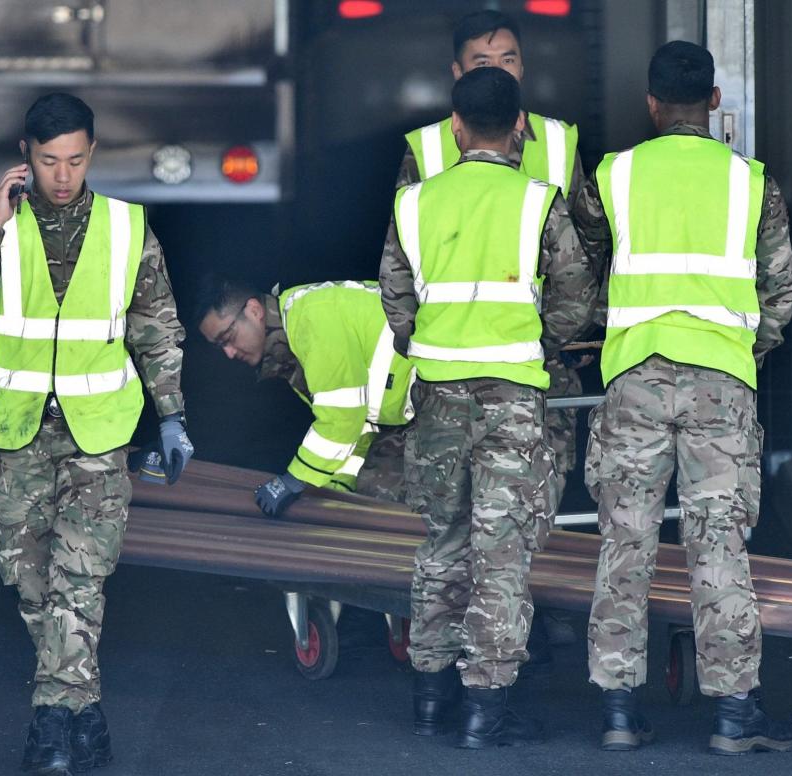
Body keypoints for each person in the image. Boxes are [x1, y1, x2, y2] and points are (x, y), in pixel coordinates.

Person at [0, 92, 194, 774]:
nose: (62, 175)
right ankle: (87, 712)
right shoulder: (3, 225)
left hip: (100, 432)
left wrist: (171, 415)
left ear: (92, 155)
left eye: (75, 160)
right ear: (25, 156)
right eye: (49, 160)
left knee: (78, 578)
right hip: (22, 432)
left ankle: (51, 725)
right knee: (28, 581)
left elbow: (156, 325)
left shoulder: (126, 227)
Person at [575, 41, 792, 755]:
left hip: (634, 376)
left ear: (650, 104)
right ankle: (735, 716)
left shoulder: (614, 176)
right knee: (718, 544)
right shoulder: (749, 182)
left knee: (625, 539)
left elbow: (579, 271)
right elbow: (780, 293)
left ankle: (618, 710)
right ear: (713, 102)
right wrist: (740, 351)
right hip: (721, 382)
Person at [380, 66, 595, 748]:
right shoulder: (539, 201)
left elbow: (394, 296)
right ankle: (484, 709)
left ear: (457, 126)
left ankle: (428, 697)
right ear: (521, 127)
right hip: (511, 397)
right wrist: (539, 339)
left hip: (438, 397)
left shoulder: (415, 203)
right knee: (501, 556)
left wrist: (434, 344)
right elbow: (575, 297)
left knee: (441, 542)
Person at [396, 9, 592, 515]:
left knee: (540, 499)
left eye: (508, 59)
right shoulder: (425, 148)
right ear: (457, 73)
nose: (499, 70)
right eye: (483, 61)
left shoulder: (557, 141)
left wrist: (564, 337)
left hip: (544, 361)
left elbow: (587, 248)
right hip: (449, 366)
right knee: (458, 515)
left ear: (524, 67)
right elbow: (402, 260)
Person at [194, 277, 415, 508]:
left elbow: (341, 420)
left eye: (228, 338)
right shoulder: (293, 348)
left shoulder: (312, 318)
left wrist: (296, 479)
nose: (229, 353)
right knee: (375, 493)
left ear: (254, 310)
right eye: (220, 347)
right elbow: (358, 430)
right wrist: (337, 488)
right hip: (427, 409)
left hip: (446, 394)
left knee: (410, 502)